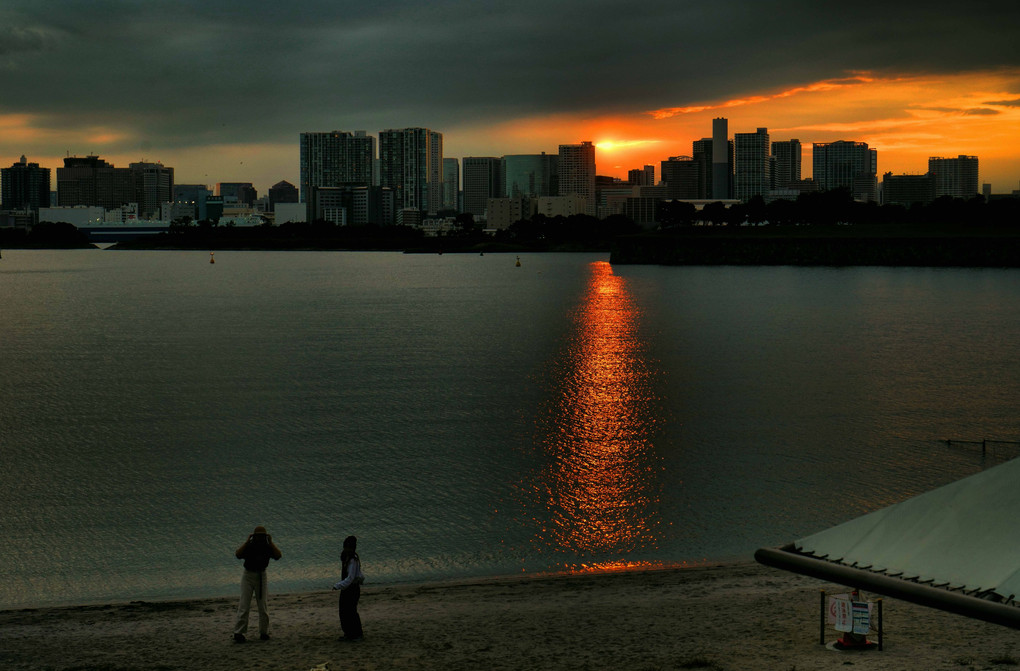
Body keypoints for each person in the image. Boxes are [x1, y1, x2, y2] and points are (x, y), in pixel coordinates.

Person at [232, 525, 282, 643]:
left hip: (261, 575)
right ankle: (239, 632)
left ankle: (264, 632)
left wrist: (271, 542)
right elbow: (238, 554)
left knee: (263, 606)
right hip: (248, 575)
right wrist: (246, 542)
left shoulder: (267, 547)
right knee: (244, 605)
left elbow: (278, 555)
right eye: (258, 536)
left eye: (262, 536)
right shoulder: (249, 546)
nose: (259, 539)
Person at [331, 535, 364, 641]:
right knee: (343, 612)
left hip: (352, 589)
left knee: (351, 612)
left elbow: (350, 578)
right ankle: (348, 633)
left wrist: (337, 585)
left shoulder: (353, 560)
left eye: (347, 547)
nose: (345, 549)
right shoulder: (346, 558)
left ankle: (357, 634)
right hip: (346, 589)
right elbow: (359, 575)